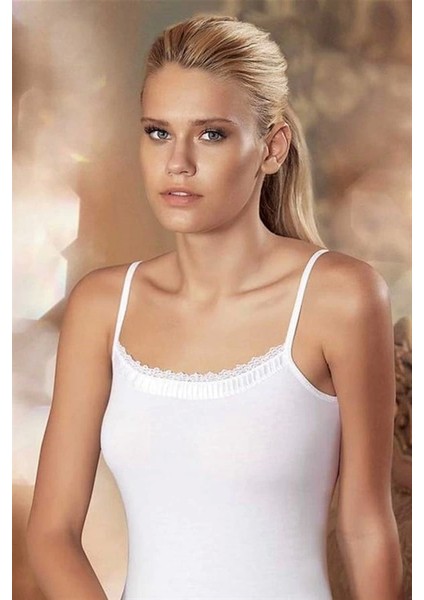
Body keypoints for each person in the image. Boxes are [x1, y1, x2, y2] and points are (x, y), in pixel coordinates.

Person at [26, 13, 404, 600]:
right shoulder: (102, 307)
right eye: (158, 132)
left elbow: (366, 527)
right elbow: (52, 533)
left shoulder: (341, 297)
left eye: (211, 134)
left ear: (272, 148)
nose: (177, 162)